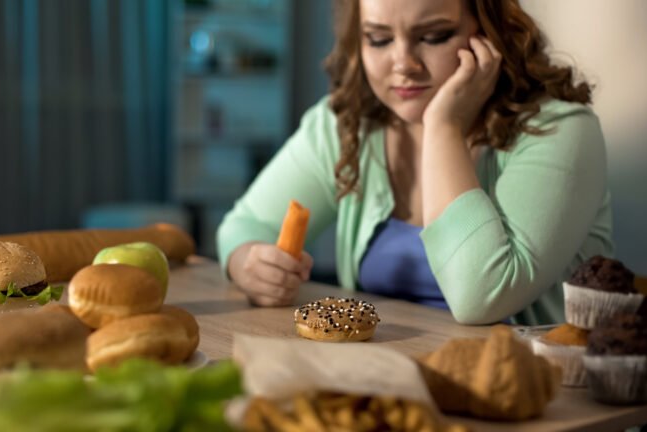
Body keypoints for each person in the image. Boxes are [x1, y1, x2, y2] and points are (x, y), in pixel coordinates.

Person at [216, 0, 613, 325]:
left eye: (433, 36)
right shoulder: (347, 124)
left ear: (488, 30)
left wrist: (443, 126)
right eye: (378, 39)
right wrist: (246, 262)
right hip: (390, 388)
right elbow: (245, 224)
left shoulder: (560, 131)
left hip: (537, 405)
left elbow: (481, 297)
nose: (403, 63)